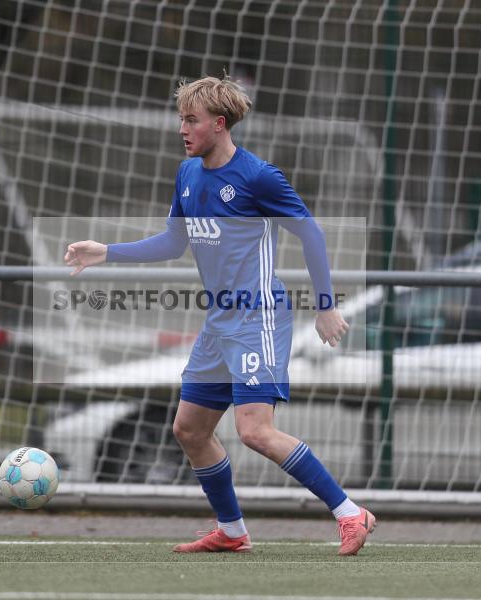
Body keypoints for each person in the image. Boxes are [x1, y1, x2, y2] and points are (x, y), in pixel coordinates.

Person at [64, 74, 375, 555]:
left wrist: (325, 305)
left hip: (259, 319)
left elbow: (310, 233)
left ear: (220, 124)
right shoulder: (187, 174)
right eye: (181, 119)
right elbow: (174, 242)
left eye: (192, 120)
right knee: (189, 430)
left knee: (255, 431)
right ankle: (232, 530)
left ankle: (351, 513)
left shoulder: (258, 177)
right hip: (219, 323)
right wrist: (106, 252)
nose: (182, 129)